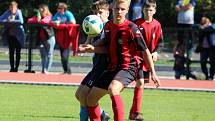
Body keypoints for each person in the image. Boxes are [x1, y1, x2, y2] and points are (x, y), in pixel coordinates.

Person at [85, 0, 160, 121]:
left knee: (113, 89)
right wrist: (91, 48)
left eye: (122, 9)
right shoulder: (108, 25)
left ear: (127, 10)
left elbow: (145, 50)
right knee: (90, 99)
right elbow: (105, 44)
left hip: (128, 67)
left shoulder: (132, 28)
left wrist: (154, 73)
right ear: (112, 9)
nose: (119, 11)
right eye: (117, 9)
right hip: (112, 68)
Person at [75, 1, 110, 121]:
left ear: (107, 13)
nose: (97, 15)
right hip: (96, 67)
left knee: (85, 96)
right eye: (95, 13)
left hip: (104, 68)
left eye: (100, 12)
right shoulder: (95, 27)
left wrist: (93, 49)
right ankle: (102, 114)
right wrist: (84, 46)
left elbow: (107, 49)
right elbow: (87, 46)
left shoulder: (108, 28)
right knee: (78, 95)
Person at [129, 0, 163, 120]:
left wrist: (155, 52)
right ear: (142, 10)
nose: (148, 12)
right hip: (136, 58)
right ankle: (136, 112)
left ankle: (133, 113)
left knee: (141, 83)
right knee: (140, 83)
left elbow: (159, 41)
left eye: (151, 10)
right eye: (146, 10)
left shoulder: (157, 25)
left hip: (147, 60)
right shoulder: (135, 24)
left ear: (154, 11)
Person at [27, 4, 55, 74]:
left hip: (49, 39)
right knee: (43, 55)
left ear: (46, 10)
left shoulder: (49, 16)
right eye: (40, 9)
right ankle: (43, 70)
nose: (41, 10)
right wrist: (37, 19)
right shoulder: (38, 17)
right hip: (42, 40)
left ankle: (47, 70)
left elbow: (45, 22)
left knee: (49, 54)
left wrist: (38, 20)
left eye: (42, 9)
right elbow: (29, 20)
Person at [0, 1, 25, 72]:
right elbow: (0, 19)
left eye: (13, 7)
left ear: (16, 7)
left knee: (18, 52)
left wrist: (12, 21)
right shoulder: (7, 12)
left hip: (19, 36)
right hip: (10, 35)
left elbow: (21, 21)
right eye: (11, 7)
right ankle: (11, 68)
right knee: (11, 52)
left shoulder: (19, 12)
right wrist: (7, 20)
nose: (12, 8)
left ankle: (16, 68)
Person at [51, 2, 76, 74]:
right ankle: (66, 71)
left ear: (63, 9)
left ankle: (68, 71)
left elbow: (73, 22)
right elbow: (52, 21)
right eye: (57, 8)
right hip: (60, 38)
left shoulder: (68, 14)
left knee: (65, 56)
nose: (57, 10)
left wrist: (63, 24)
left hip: (68, 38)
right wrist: (55, 22)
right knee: (62, 56)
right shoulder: (57, 14)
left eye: (59, 8)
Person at [175, 0, 196, 79]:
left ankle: (188, 57)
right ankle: (180, 59)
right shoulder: (179, 0)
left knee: (189, 43)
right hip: (180, 23)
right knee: (180, 42)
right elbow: (177, 9)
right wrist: (184, 8)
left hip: (189, 23)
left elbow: (189, 7)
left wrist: (181, 8)